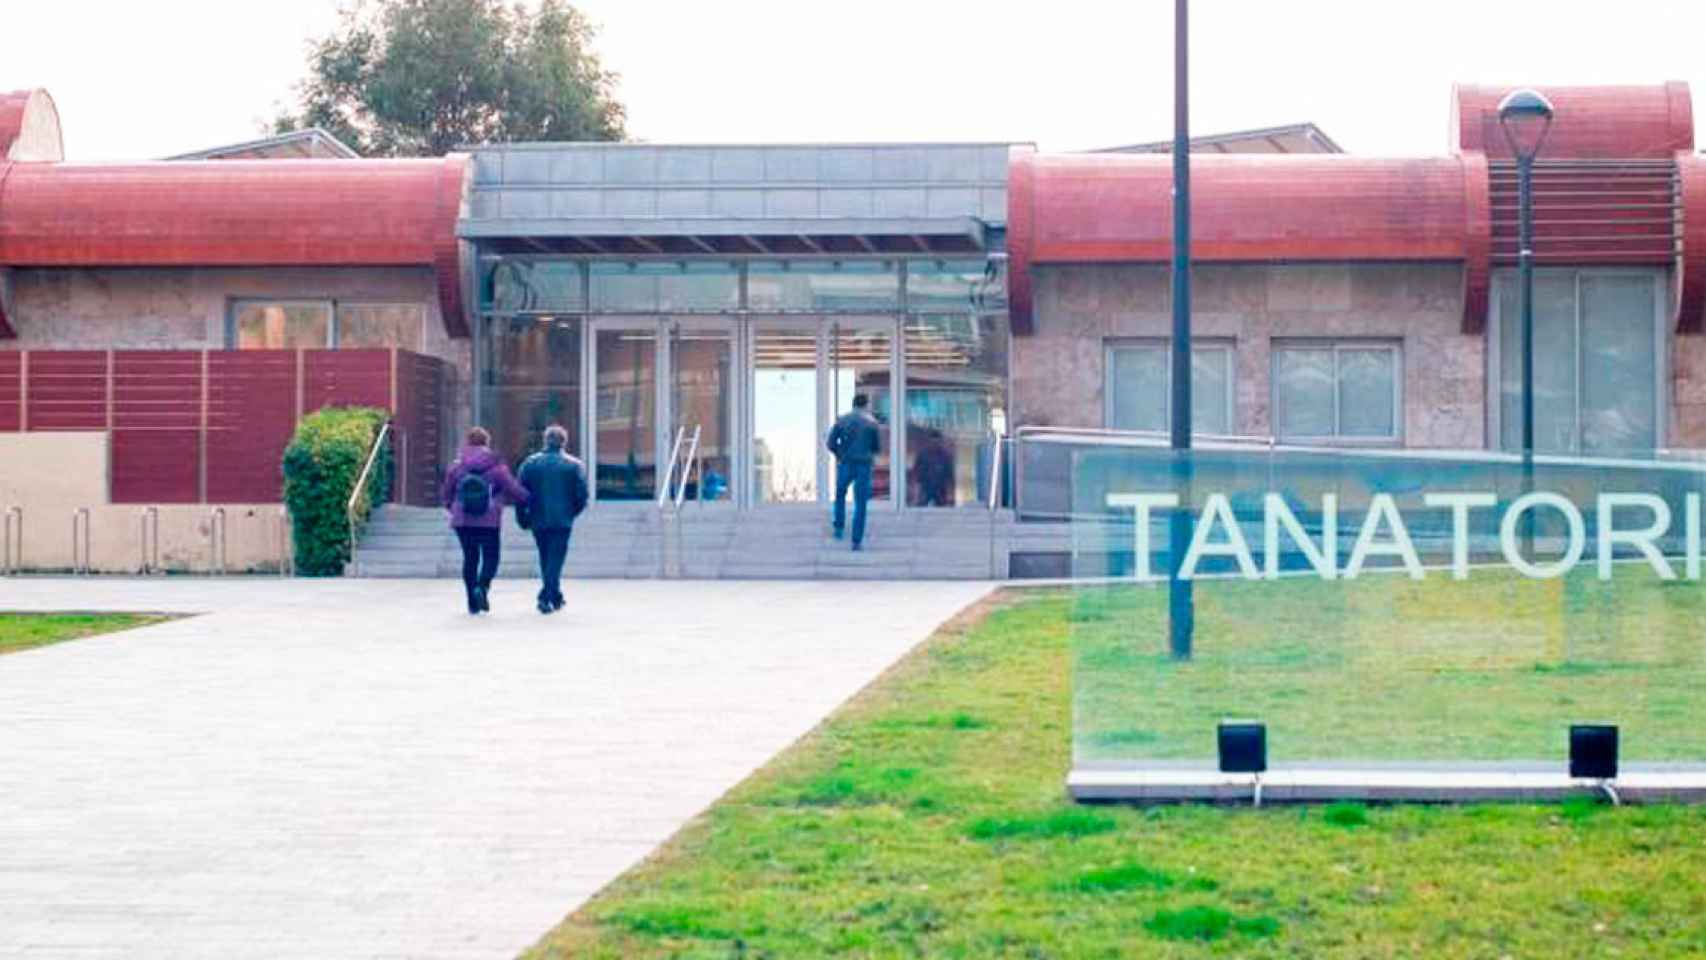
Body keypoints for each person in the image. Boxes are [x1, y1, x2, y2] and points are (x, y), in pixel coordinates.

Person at [440, 427, 528, 615]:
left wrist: (452, 508)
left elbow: (446, 494)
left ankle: (472, 601)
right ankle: (483, 586)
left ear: (468, 443)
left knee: (470, 558)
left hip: (463, 519)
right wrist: (530, 499)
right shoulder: (496, 466)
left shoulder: (456, 465)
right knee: (491, 557)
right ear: (487, 442)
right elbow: (514, 489)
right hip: (489, 518)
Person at [517, 424, 589, 615]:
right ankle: (546, 597)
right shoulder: (574, 465)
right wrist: (571, 512)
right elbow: (582, 496)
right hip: (562, 520)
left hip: (538, 518)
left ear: (545, 441)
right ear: (563, 442)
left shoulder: (530, 463)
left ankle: (554, 595)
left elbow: (520, 494)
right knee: (555, 559)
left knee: (546, 557)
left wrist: (522, 517)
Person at [826, 393, 882, 550]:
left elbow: (830, 443)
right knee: (861, 503)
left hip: (846, 462)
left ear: (853, 404)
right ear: (866, 405)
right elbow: (876, 448)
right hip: (864, 465)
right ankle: (856, 541)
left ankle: (838, 527)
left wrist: (840, 454)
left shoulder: (842, 420)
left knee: (840, 495)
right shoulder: (872, 423)